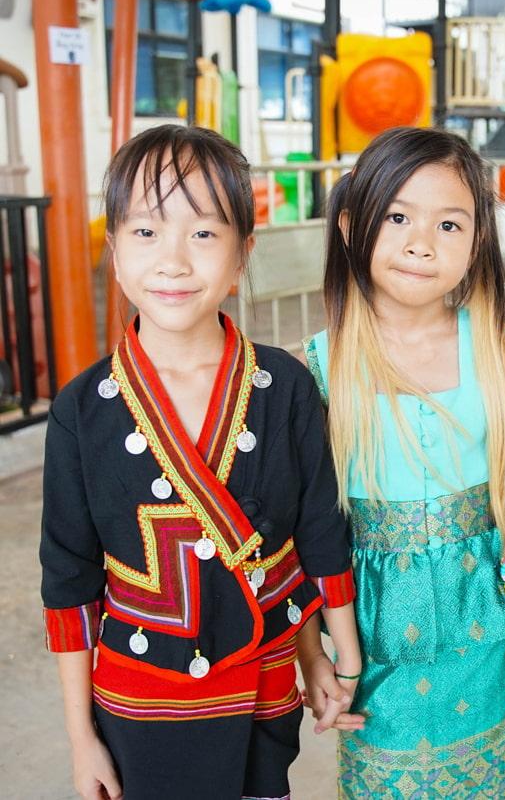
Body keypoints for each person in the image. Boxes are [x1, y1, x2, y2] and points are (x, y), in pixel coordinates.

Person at [297, 126, 505, 798]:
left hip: (485, 633)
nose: (421, 241)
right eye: (397, 217)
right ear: (354, 226)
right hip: (372, 639)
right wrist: (308, 652)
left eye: (449, 223)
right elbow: (304, 539)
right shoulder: (319, 369)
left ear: (478, 243)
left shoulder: (500, 358)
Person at [40, 124, 360, 800]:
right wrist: (81, 739)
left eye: (204, 234)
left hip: (262, 682)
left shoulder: (285, 386)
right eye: (146, 233)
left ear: (244, 254)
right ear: (116, 254)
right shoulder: (82, 408)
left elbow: (306, 541)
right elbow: (69, 584)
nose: (174, 261)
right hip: (139, 694)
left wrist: (326, 657)